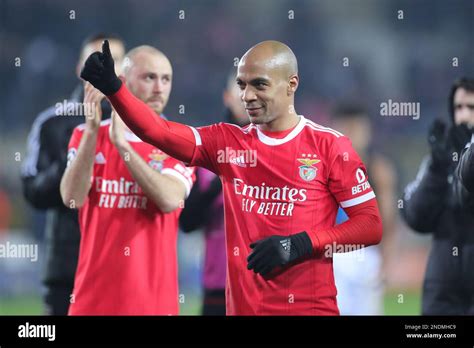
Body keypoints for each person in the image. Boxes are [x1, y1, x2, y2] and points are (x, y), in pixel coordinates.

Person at [80, 40, 383, 315]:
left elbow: (370, 225)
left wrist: (302, 243)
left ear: (291, 84)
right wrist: (114, 89)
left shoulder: (330, 146)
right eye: (242, 84)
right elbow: (159, 132)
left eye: (259, 85)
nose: (247, 96)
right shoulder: (227, 143)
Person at [60, 45, 194, 315]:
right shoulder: (85, 135)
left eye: (166, 79)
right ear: (122, 82)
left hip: (153, 305)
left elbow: (169, 200)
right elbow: (72, 198)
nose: (159, 88)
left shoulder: (180, 141)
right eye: (149, 77)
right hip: (90, 303)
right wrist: (92, 132)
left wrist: (123, 146)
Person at [21, 33, 125, 315]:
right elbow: (33, 193)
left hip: (125, 271)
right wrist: (76, 157)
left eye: (113, 61)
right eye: (96, 60)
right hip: (68, 271)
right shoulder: (53, 123)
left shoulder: (141, 125)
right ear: (79, 68)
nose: (105, 68)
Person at [403, 77, 474, 315]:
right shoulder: (439, 159)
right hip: (442, 293)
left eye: (471, 107)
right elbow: (415, 217)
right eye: (458, 107)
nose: (463, 116)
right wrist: (437, 166)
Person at [179, 69, 248, 315]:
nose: (247, 96)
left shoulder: (277, 148)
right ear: (227, 97)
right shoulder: (206, 149)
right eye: (240, 87)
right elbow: (187, 223)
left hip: (266, 284)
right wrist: (220, 182)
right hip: (219, 285)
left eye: (254, 87)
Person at [330, 103, 397, 315]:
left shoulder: (378, 171)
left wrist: (386, 262)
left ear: (367, 132)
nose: (351, 135)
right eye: (345, 128)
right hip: (332, 253)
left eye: (356, 129)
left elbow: (388, 221)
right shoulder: (321, 168)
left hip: (366, 255)